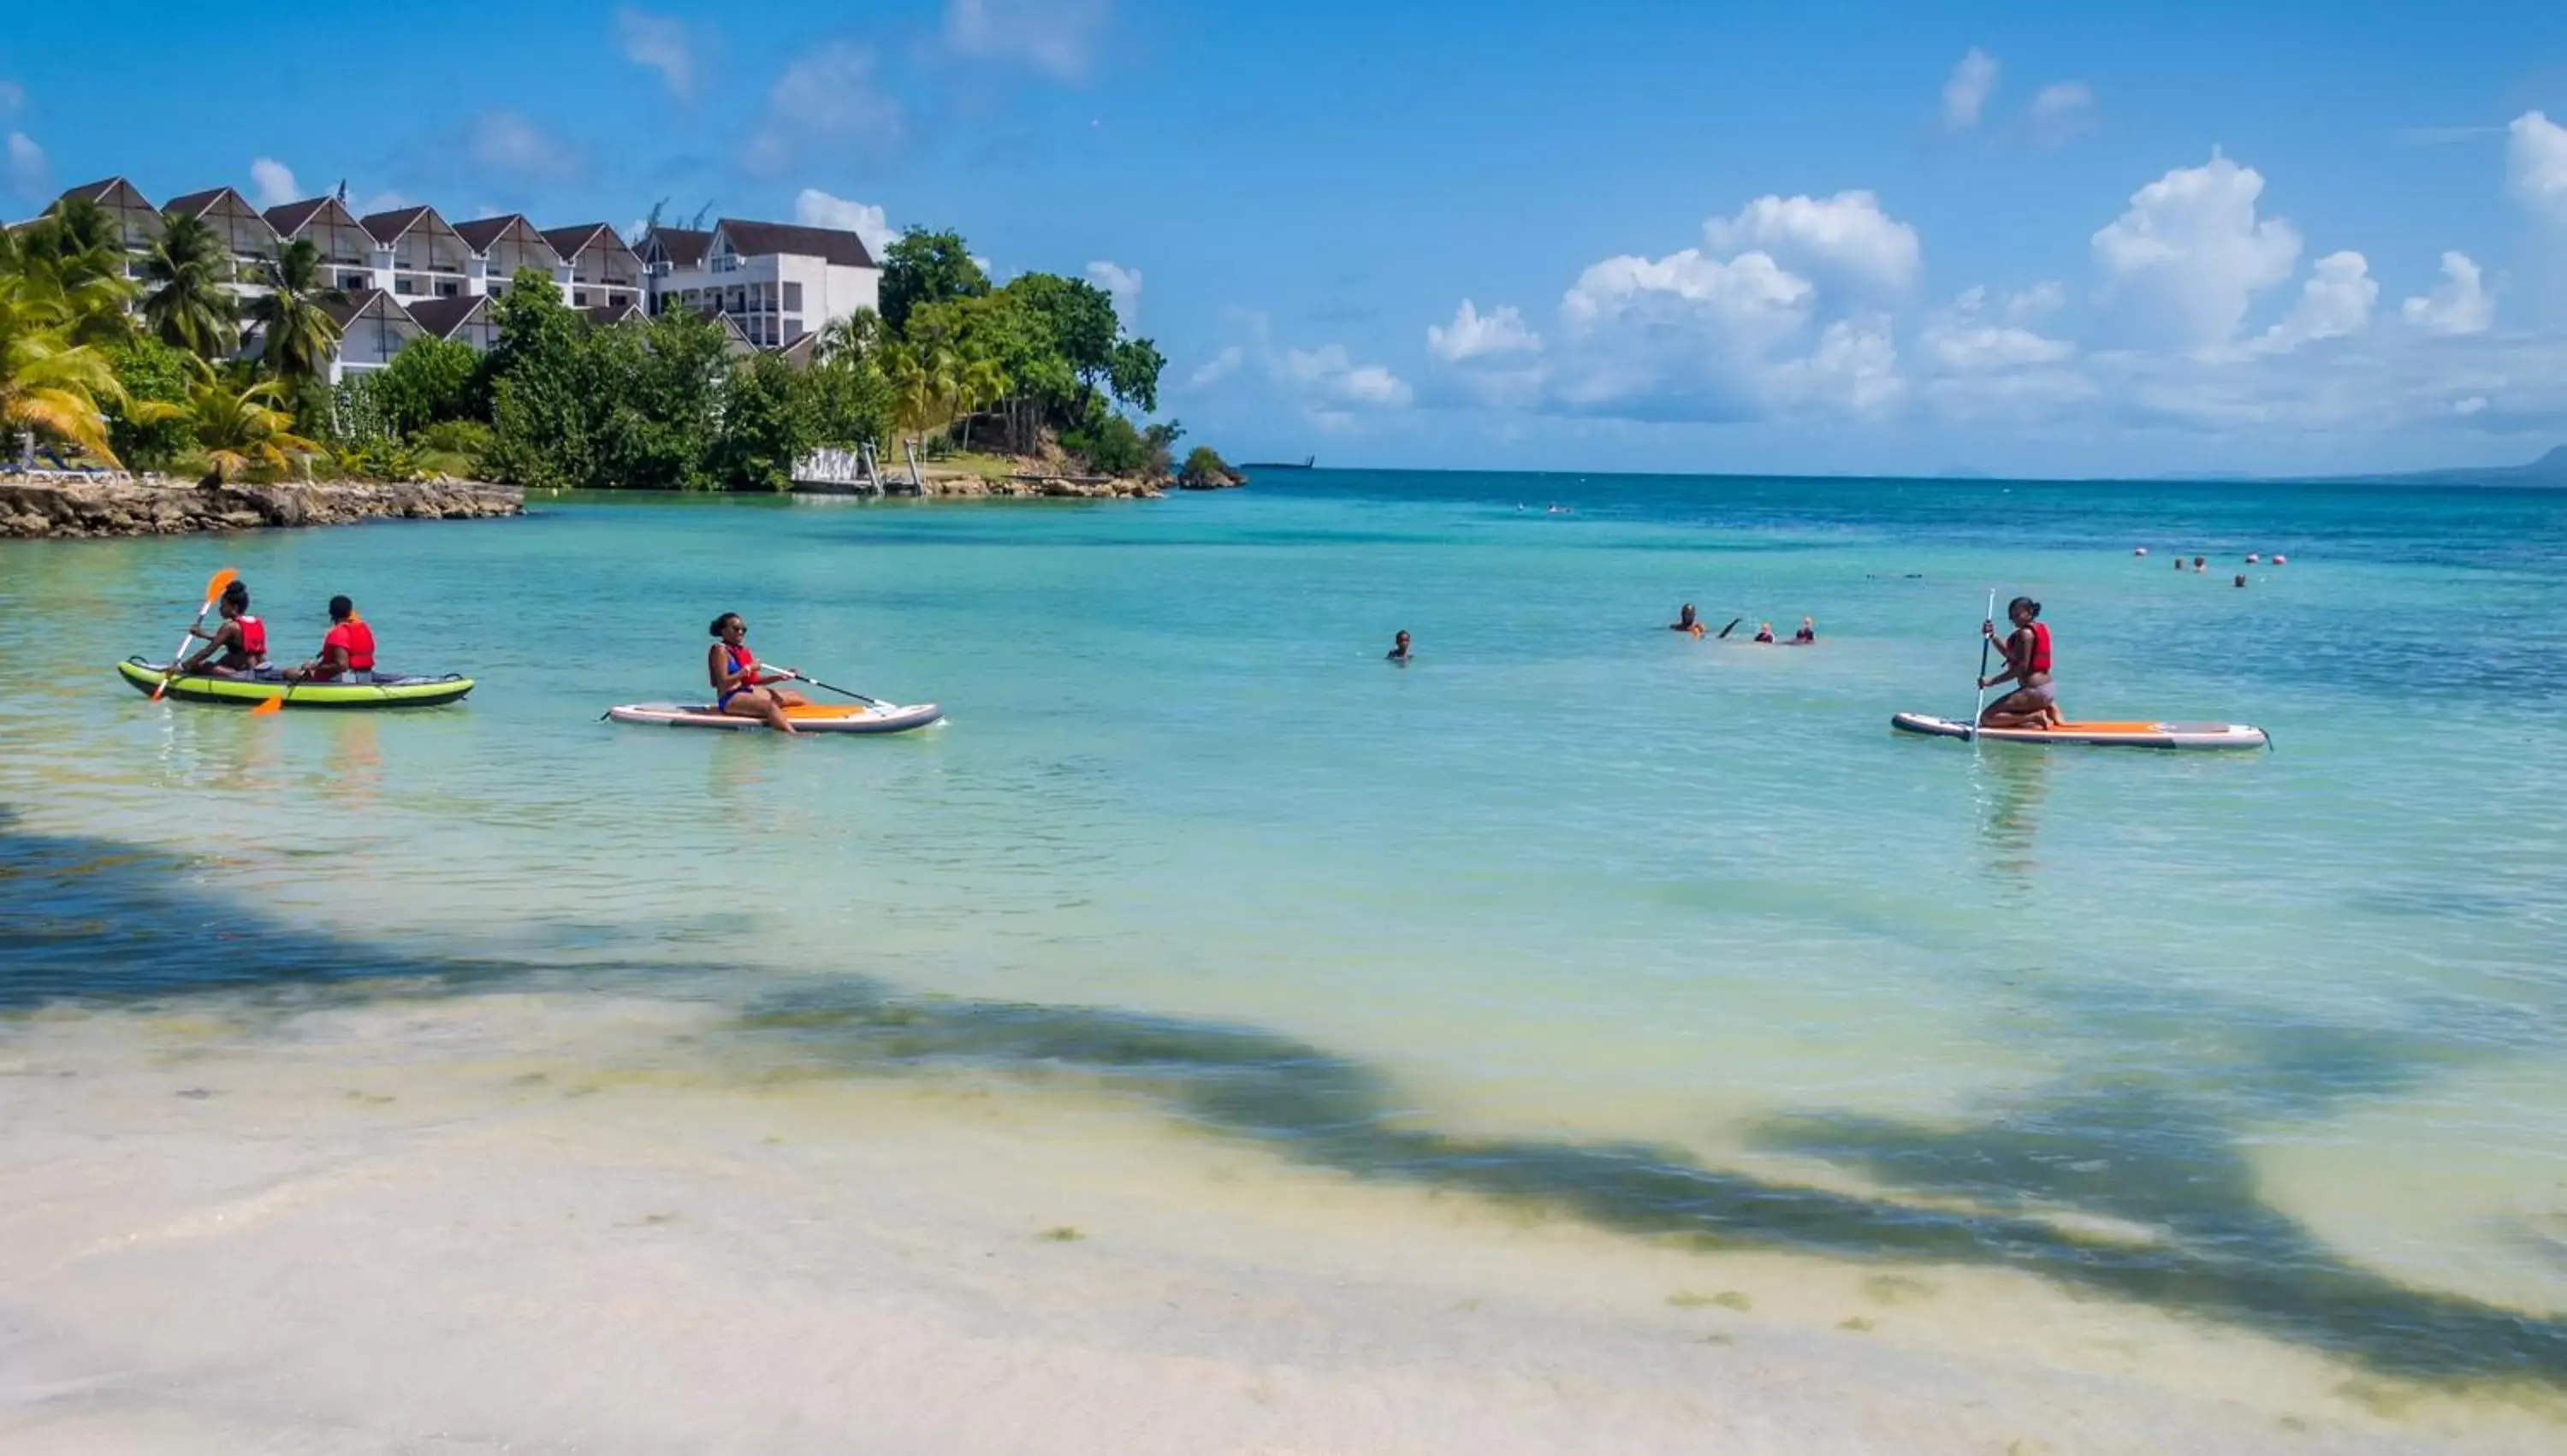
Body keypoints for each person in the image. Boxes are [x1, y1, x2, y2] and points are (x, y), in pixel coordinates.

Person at [708, 613, 808, 733]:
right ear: (723, 631)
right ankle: (793, 735)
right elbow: (722, 683)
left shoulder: (740, 650)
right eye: (735, 629)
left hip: (747, 691)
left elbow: (753, 681)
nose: (740, 632)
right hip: (730, 698)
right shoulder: (720, 650)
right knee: (769, 706)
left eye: (743, 629)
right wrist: (748, 669)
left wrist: (779, 677)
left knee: (796, 695)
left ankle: (820, 718)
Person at [1979, 596, 2063, 731]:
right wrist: (1992, 636)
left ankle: (2035, 716)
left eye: (2017, 615)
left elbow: (2021, 668)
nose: (2014, 619)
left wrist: (1992, 681)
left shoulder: (2025, 634)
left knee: (1987, 718)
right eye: (2011, 617)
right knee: (2012, 717)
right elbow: (2011, 655)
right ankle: (2048, 708)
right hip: (2047, 689)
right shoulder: (2038, 628)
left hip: (2035, 691)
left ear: (2030, 613)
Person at [178, 580, 266, 677]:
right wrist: (203, 634)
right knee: (224, 659)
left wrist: (183, 666)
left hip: (243, 673)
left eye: (223, 605)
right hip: (258, 667)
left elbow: (208, 650)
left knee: (199, 665)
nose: (220, 609)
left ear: (234, 608)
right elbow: (235, 642)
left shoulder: (229, 627)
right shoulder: (256, 622)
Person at [285, 596, 375, 683]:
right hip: (364, 676)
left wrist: (314, 667)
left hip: (343, 680)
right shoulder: (362, 627)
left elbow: (343, 666)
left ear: (331, 613)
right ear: (350, 612)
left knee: (289, 673)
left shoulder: (338, 633)